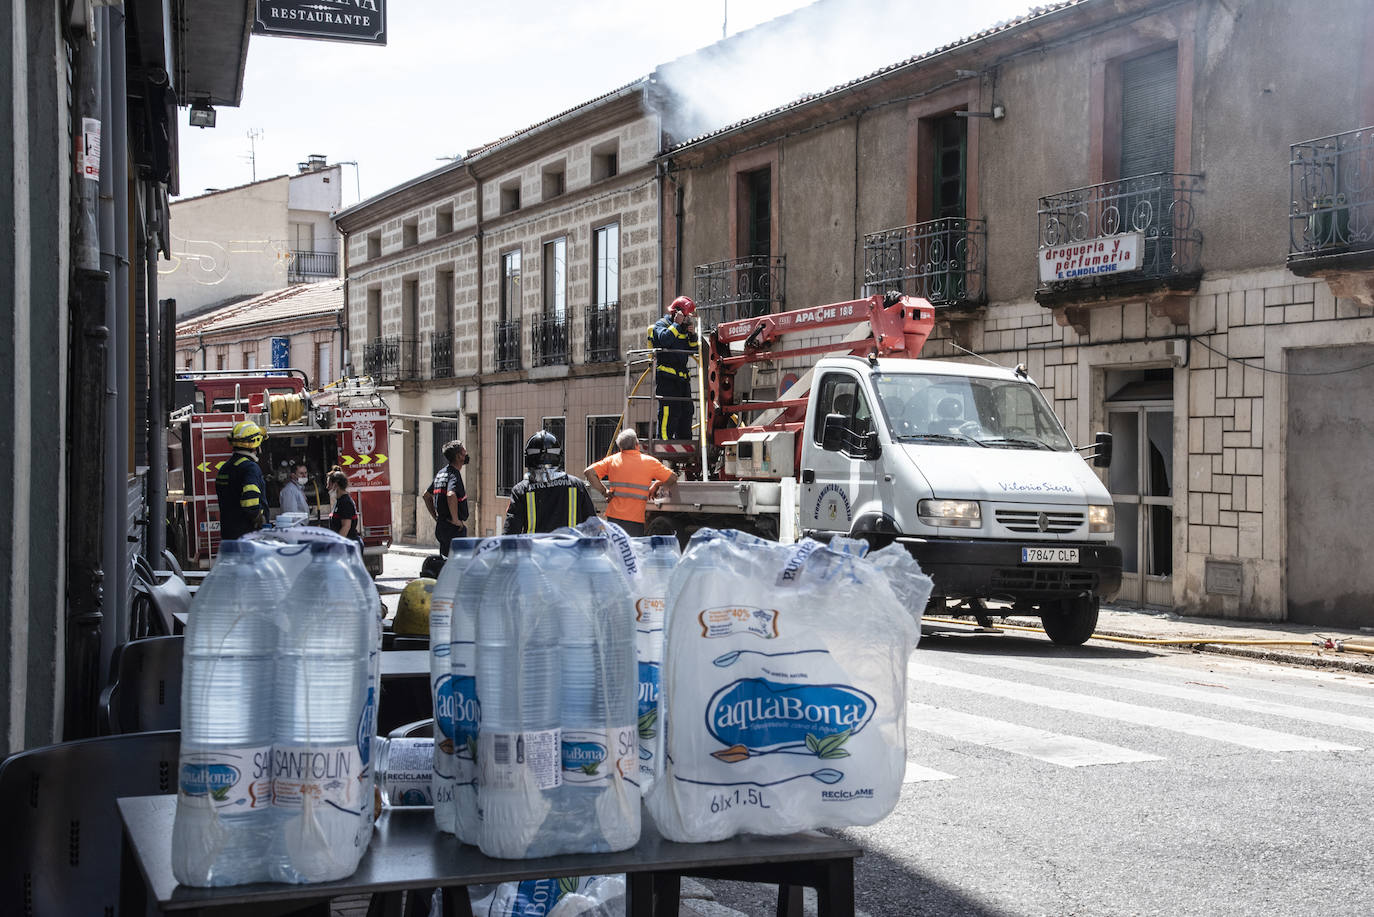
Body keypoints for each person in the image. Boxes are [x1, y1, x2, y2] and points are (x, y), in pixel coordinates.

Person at [584, 429, 678, 536]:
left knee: (616, 550)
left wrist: (604, 491)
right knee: (632, 549)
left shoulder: (612, 460)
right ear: (636, 444)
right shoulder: (649, 462)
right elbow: (672, 478)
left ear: (620, 447)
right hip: (635, 519)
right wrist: (656, 484)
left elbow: (589, 472)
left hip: (614, 518)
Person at [503, 430, 596, 535]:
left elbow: (511, 531)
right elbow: (592, 526)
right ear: (559, 457)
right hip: (570, 549)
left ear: (528, 459)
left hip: (535, 550)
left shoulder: (521, 489)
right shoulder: (576, 485)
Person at [649, 295, 699, 441]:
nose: (687, 319)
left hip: (682, 379)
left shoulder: (683, 329)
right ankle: (664, 441)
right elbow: (664, 340)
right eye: (686, 315)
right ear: (676, 313)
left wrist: (692, 335)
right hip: (667, 378)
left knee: (687, 411)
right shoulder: (661, 324)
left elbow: (692, 350)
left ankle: (685, 441)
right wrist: (677, 325)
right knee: (669, 411)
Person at [215, 420, 267, 541]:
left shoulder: (225, 467)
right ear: (255, 444)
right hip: (247, 536)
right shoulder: (250, 468)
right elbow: (250, 500)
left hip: (228, 535)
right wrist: (258, 518)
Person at [424, 439, 469, 556]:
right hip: (453, 529)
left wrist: (436, 518)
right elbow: (451, 494)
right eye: (464, 452)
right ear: (458, 456)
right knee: (456, 566)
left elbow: (426, 495)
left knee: (445, 563)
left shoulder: (441, 473)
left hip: (442, 526)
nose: (466, 454)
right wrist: (455, 520)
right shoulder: (454, 475)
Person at [327, 467, 362, 541]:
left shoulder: (345, 502)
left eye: (329, 484)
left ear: (335, 485)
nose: (327, 487)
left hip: (348, 545)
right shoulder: (339, 501)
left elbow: (346, 527)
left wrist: (338, 544)